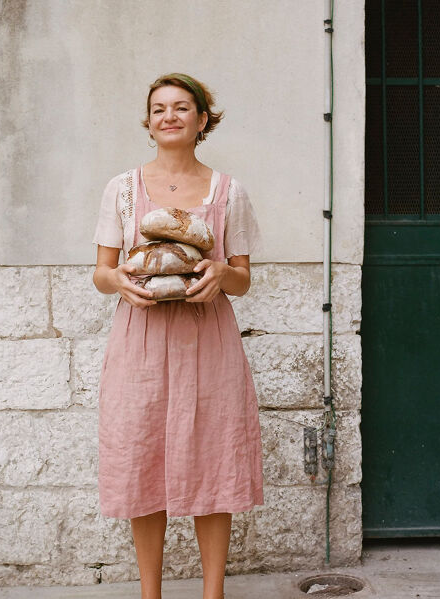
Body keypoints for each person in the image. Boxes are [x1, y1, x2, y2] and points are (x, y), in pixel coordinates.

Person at [91, 73, 264, 599]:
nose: (169, 116)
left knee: (212, 460)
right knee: (142, 462)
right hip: (140, 339)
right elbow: (102, 273)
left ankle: (213, 594)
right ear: (149, 122)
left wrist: (219, 277)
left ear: (202, 120)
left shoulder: (228, 191)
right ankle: (151, 594)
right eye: (159, 108)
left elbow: (243, 276)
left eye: (182, 107)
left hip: (206, 339)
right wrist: (120, 280)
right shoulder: (121, 190)